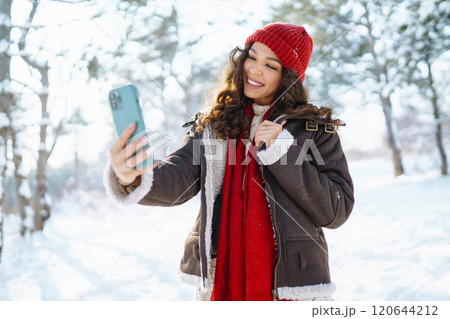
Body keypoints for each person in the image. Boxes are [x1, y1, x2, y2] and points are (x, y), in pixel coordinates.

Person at [104, 22, 354, 301]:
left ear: (289, 78)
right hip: (225, 280)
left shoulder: (314, 130)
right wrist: (133, 175)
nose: (255, 70)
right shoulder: (214, 125)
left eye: (271, 66)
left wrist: (284, 152)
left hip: (288, 288)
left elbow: (336, 209)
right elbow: (180, 174)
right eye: (252, 56)